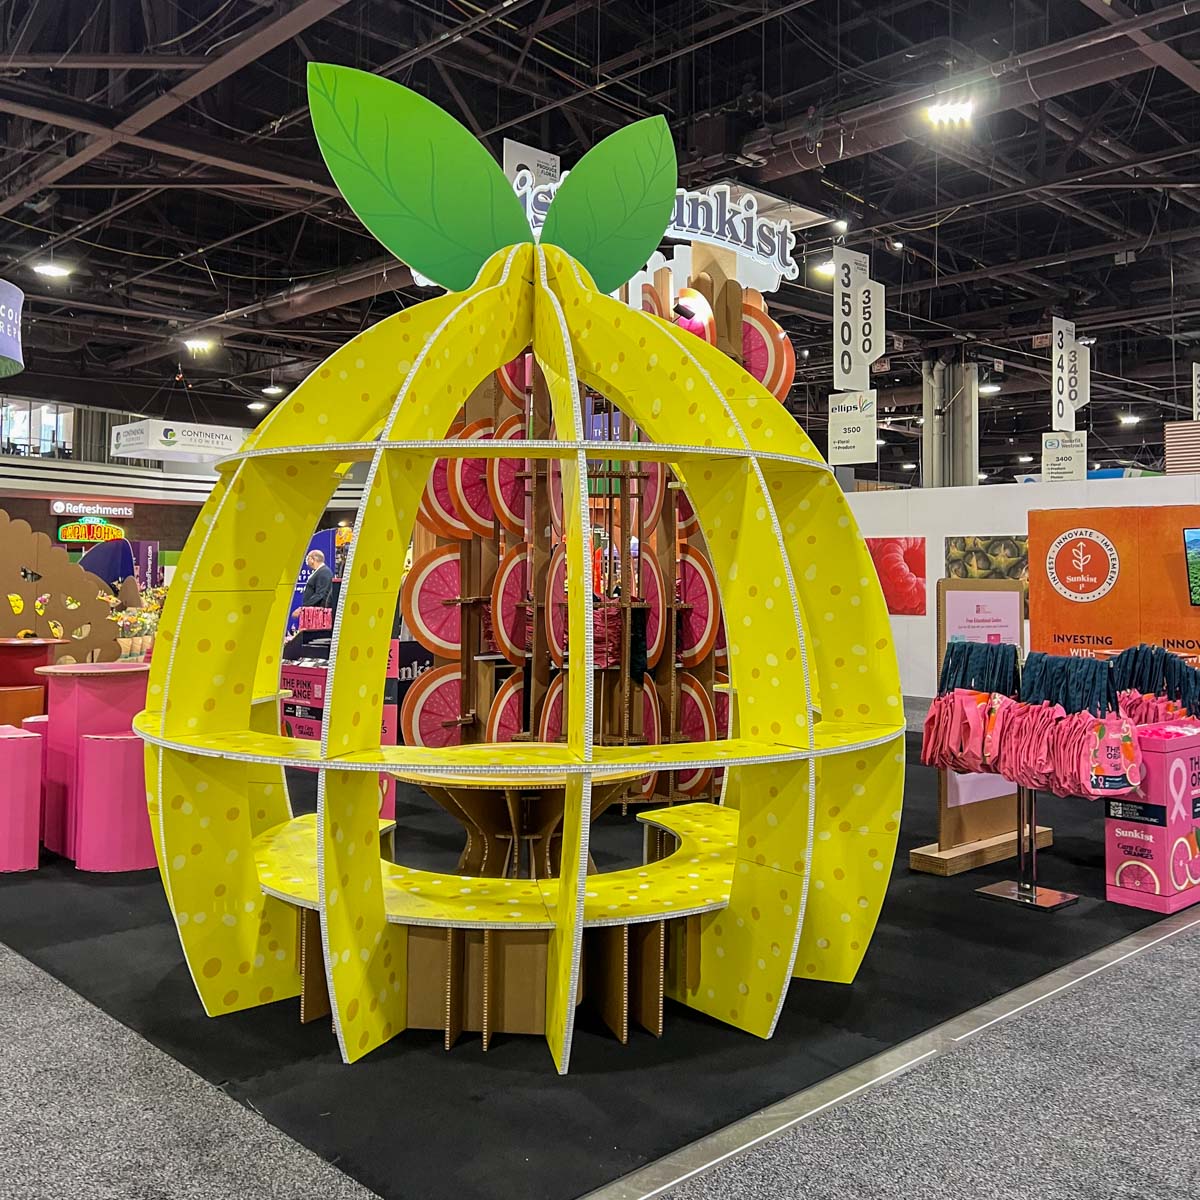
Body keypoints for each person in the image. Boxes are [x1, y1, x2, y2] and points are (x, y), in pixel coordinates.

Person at [292, 549, 333, 618]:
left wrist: (302, 608)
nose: (306, 560)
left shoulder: (324, 572)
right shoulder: (319, 571)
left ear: (312, 559)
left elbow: (320, 594)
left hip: (317, 615)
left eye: (307, 558)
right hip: (312, 613)